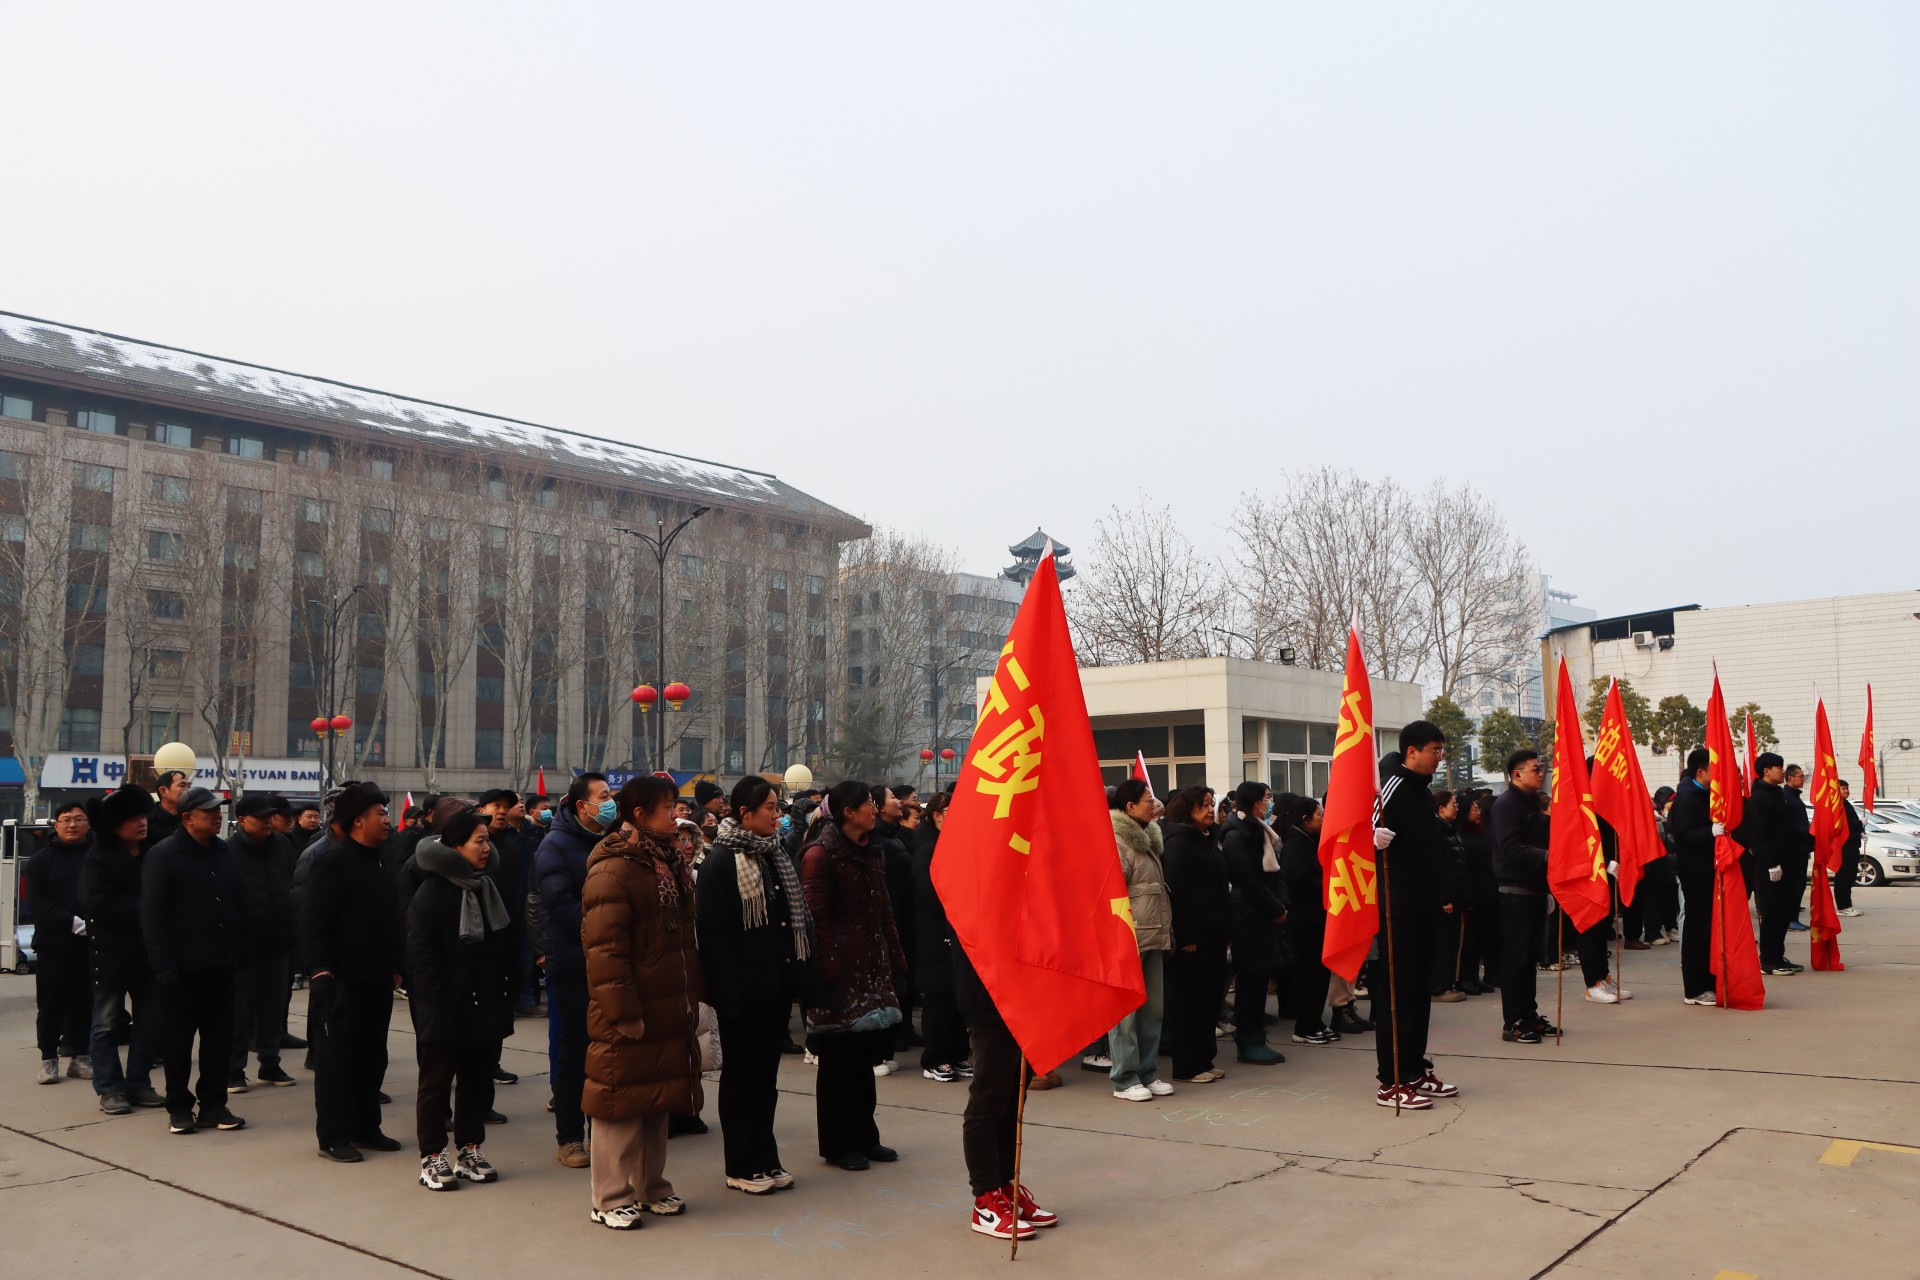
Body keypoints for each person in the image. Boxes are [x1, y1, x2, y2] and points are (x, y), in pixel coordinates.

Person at [582, 774, 706, 1228]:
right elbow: (605, 951)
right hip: (630, 1005)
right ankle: (610, 1197)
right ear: (639, 814)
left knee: (657, 1099)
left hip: (667, 1001)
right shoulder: (614, 868)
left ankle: (651, 1187)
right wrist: (623, 1011)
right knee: (619, 1102)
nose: (676, 814)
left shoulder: (668, 861)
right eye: (667, 807)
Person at [696, 776, 812, 1194]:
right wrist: (729, 997)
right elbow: (714, 939)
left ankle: (766, 1156)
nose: (777, 816)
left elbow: (790, 924)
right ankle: (741, 1164)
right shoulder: (720, 863)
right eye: (770, 808)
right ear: (745, 814)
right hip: (741, 995)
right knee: (741, 1079)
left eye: (778, 807)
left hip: (774, 990)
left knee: (765, 1080)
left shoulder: (775, 854)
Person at [800, 780, 907, 1170]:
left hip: (871, 968)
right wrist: (829, 973)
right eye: (868, 804)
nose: (874, 810)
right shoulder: (820, 855)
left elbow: (885, 911)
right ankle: (838, 1144)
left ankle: (865, 1136)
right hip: (839, 973)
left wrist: (896, 960)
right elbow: (816, 920)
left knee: (864, 1059)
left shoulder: (872, 849)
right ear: (848, 812)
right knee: (837, 1064)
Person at [406, 809, 514, 1192]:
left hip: (484, 1003)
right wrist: (445, 999)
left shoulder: (487, 887)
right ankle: (432, 1155)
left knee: (476, 1081)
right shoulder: (432, 893)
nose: (486, 848)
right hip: (445, 1006)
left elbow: (504, 943)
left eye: (488, 840)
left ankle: (469, 1149)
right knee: (436, 1084)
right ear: (455, 847)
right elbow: (422, 957)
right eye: (478, 841)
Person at [302, 781, 406, 1162]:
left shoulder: (380, 859)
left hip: (375, 976)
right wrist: (320, 970)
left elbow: (389, 919)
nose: (387, 819)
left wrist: (395, 965)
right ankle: (333, 1136)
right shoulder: (332, 861)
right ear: (358, 821)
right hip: (340, 978)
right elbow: (313, 921)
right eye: (380, 813)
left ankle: (366, 1127)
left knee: (371, 1056)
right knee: (336, 1060)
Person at [141, 786, 248, 1135]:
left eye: (219, 810)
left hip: (221, 964)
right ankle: (179, 1107)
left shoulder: (224, 852)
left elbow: (236, 904)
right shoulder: (163, 855)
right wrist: (163, 963)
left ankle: (214, 1105)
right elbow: (152, 915)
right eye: (209, 811)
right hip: (181, 969)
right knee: (178, 1042)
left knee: (219, 1040)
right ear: (187, 818)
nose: (218, 816)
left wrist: (238, 951)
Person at [948, 904, 1057, 1241]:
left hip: (1022, 996)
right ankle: (985, 1198)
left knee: (1012, 1097)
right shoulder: (971, 884)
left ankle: (1004, 1185)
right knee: (989, 1098)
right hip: (988, 995)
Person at [1370, 723, 1458, 1111]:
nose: (1440, 757)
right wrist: (1372, 839)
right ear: (1412, 751)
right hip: (1397, 908)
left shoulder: (1421, 791)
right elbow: (1356, 826)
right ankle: (1390, 1080)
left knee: (1419, 993)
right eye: (1434, 750)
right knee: (1397, 994)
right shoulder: (1389, 785)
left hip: (1424, 905)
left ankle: (1414, 1068)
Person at [533, 772, 616, 1169]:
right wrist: (606, 932)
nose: (610, 802)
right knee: (573, 1053)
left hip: (610, 964)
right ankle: (568, 1138)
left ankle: (603, 1131)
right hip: (573, 964)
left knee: (607, 1053)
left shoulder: (611, 840)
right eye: (604, 796)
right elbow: (561, 905)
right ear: (583, 806)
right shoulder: (555, 845)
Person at [81, 783, 165, 1113]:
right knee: (106, 1024)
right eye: (132, 819)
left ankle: (139, 1084)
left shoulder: (153, 851)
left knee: (150, 1021)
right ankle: (109, 1088)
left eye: (143, 816)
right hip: (110, 954)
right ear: (114, 825)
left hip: (148, 953)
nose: (141, 823)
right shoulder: (98, 857)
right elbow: (97, 903)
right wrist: (147, 907)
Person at [1105, 778, 1176, 1099]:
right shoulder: (1117, 841)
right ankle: (1124, 1078)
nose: (1154, 804)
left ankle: (1147, 1073)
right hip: (1127, 938)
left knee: (1152, 1011)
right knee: (1125, 1015)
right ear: (1130, 806)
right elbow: (1112, 891)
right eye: (1148, 799)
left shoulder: (1147, 840)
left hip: (1154, 935)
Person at [1162, 785, 1232, 1081]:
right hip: (1194, 936)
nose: (1210, 810)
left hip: (1215, 932)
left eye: (1211, 803)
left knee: (1210, 999)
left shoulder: (1209, 839)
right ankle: (1187, 1065)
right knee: (1190, 1001)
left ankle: (1205, 1059)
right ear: (1187, 809)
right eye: (1203, 805)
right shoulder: (1179, 843)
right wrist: (1187, 937)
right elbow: (1176, 894)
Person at [229, 793, 298, 1092]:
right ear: (242, 821)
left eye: (269, 816)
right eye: (260, 818)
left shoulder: (282, 845)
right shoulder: (228, 850)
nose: (267, 822)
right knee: (238, 1010)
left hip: (278, 939)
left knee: (273, 1006)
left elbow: (292, 884)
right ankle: (233, 1069)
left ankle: (270, 1064)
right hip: (243, 944)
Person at [1220, 780, 1287, 1067]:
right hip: (1247, 915)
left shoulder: (1260, 830)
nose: (1269, 803)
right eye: (1266, 798)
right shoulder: (1236, 834)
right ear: (1255, 802)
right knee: (1250, 980)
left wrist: (1281, 903)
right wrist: (1274, 908)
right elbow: (1247, 880)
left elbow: (1275, 873)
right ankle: (1248, 1040)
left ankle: (1257, 1036)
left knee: (1260, 979)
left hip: (1263, 913)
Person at [1491, 751, 1556, 1040]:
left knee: (1530, 959)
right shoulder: (1506, 805)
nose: (1541, 774)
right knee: (1516, 959)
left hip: (1535, 889)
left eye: (1541, 769)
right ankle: (1514, 1022)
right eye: (1535, 769)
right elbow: (1510, 848)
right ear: (1516, 774)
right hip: (1515, 892)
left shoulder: (1531, 803)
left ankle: (1529, 1014)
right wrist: (1548, 856)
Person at [29, 802, 95, 1085]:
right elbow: (36, 903)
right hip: (53, 945)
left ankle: (81, 1056)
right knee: (51, 1004)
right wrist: (71, 922)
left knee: (85, 1003)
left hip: (90, 944)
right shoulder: (41, 860)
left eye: (79, 819)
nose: (72, 825)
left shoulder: (97, 857)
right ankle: (48, 1058)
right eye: (66, 820)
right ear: (56, 825)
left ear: (88, 824)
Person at [909, 793, 970, 1083]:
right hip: (935, 934)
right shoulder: (927, 849)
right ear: (937, 815)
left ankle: (957, 1054)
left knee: (958, 1000)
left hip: (955, 930)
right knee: (939, 1001)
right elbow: (931, 894)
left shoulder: (951, 844)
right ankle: (935, 1058)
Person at [1277, 793, 1339, 1045]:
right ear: (1305, 819)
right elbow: (1297, 880)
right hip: (1304, 921)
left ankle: (1315, 1022)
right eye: (1319, 814)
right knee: (1308, 975)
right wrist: (1328, 888)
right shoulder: (1295, 844)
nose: (1322, 818)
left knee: (1319, 975)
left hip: (1316, 918)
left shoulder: (1308, 840)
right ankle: (1304, 1026)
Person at [1737, 753, 1799, 976]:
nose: (1782, 771)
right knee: (1772, 912)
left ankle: (1778, 955)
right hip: (1770, 865)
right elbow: (1760, 834)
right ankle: (1768, 960)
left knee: (1784, 912)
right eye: (1778, 767)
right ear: (1766, 771)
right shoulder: (1760, 798)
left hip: (1785, 861)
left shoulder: (1777, 793)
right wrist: (1771, 863)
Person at [871, 784, 918, 1071]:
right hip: (892, 924)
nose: (897, 802)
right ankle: (879, 1052)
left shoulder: (894, 837)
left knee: (901, 986)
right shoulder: (878, 841)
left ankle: (892, 1044)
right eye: (891, 798)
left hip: (901, 922)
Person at [1668, 750, 1720, 1005]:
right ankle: (1694, 989)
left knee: (1708, 929)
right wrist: (1711, 831)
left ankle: (1708, 982)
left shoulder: (1707, 795)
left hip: (1709, 871)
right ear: (1701, 772)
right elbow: (1683, 836)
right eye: (1714, 769)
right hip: (1695, 872)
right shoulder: (1686, 799)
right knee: (1696, 930)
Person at [1455, 792, 1500, 993]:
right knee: (1469, 940)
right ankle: (1464, 977)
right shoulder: (1460, 835)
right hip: (1471, 893)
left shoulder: (1481, 832)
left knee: (1484, 937)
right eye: (1474, 809)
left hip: (1488, 891)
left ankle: (1476, 977)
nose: (1478, 812)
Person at [1430, 790, 1470, 1004]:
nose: (1457, 808)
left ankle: (1447, 983)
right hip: (1446, 900)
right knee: (1444, 944)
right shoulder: (1437, 831)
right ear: (1441, 808)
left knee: (1452, 943)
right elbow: (1439, 869)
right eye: (1453, 804)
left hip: (1457, 896)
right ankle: (1438, 987)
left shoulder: (1451, 829)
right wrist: (1444, 898)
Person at [1781, 764, 1814, 932]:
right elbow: (1793, 826)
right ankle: (1789, 919)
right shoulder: (1786, 797)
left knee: (1799, 886)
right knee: (1793, 886)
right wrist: (1810, 834)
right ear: (1790, 778)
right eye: (1800, 776)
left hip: (1800, 848)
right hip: (1793, 850)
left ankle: (1793, 918)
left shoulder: (1794, 797)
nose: (1803, 779)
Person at [1837, 780, 1864, 916]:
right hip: (1844, 846)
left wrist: (1861, 831)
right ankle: (1842, 906)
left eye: (1847, 788)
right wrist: (1859, 823)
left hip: (1853, 844)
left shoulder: (1847, 804)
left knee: (1850, 876)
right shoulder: (1837, 806)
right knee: (1844, 876)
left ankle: (1848, 904)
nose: (1846, 791)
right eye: (1843, 788)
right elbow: (1844, 823)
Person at [146, 769, 192, 847]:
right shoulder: (148, 821)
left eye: (189, 786)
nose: (188, 790)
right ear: (163, 791)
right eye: (182, 786)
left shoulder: (192, 819)